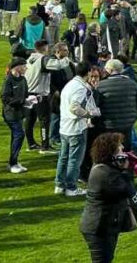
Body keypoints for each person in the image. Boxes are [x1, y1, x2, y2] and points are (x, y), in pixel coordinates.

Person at [80, 132, 136, 263]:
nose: (122, 147)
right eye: (119, 146)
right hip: (98, 227)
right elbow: (127, 190)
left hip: (105, 224)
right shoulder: (104, 173)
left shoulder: (105, 168)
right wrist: (125, 170)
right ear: (110, 151)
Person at [55, 62, 95, 196]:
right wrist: (89, 114)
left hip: (64, 127)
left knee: (63, 157)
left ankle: (59, 185)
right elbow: (74, 107)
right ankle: (71, 188)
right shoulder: (80, 88)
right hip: (76, 128)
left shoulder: (70, 84)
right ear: (88, 72)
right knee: (74, 160)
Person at [1, 57, 30, 173]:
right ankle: (12, 163)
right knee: (19, 134)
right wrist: (22, 101)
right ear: (17, 67)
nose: (26, 68)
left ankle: (14, 161)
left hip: (20, 113)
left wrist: (31, 100)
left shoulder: (23, 79)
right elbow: (5, 98)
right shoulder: (8, 80)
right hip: (10, 114)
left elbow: (25, 95)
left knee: (17, 136)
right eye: (24, 66)